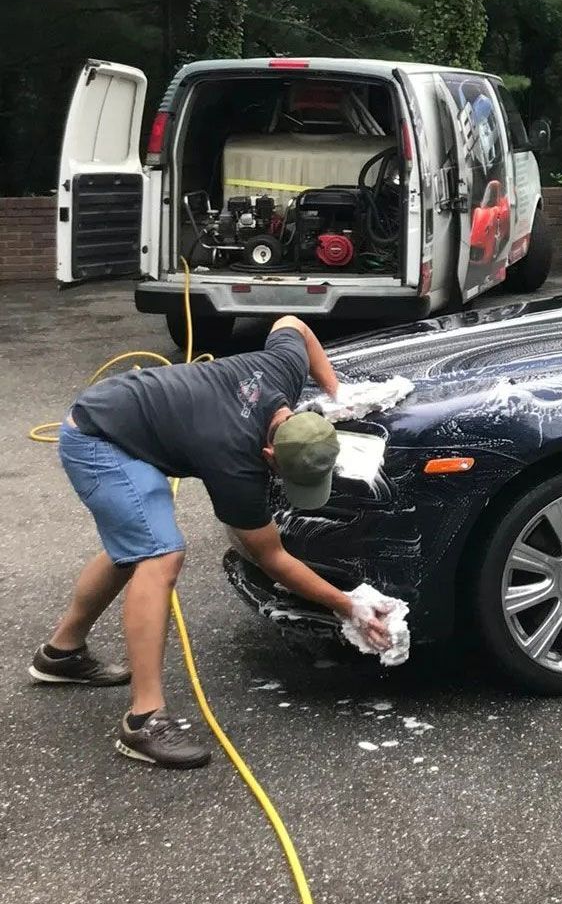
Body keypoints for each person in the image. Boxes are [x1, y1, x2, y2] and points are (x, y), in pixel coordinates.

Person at [29, 316, 390, 770]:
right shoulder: (235, 459)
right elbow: (271, 557)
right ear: (268, 455)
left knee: (137, 543)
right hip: (97, 439)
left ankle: (61, 654)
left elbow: (293, 324)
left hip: (122, 412)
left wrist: (335, 391)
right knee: (160, 555)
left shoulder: (281, 370)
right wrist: (347, 605)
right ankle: (143, 721)